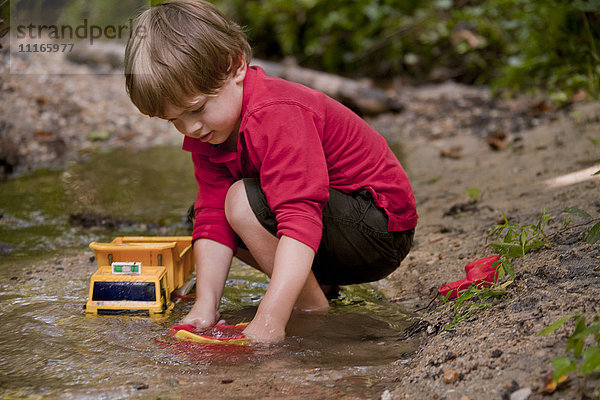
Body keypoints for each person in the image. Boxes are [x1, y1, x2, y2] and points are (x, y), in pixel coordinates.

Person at [124, 0, 417, 344]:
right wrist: (205, 307)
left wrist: (269, 317)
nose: (190, 128)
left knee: (241, 202)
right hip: (330, 231)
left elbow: (298, 212)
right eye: (175, 121)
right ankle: (310, 288)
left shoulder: (276, 112)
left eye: (198, 109)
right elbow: (213, 216)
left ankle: (309, 307)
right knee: (207, 214)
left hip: (378, 228)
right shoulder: (209, 131)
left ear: (235, 66)